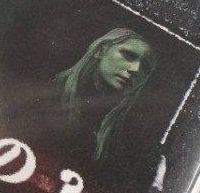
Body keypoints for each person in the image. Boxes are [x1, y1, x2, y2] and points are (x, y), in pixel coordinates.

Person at [55, 27, 156, 167]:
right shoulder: (51, 92)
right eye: (128, 55)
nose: (135, 69)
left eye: (145, 68)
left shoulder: (125, 138)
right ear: (100, 50)